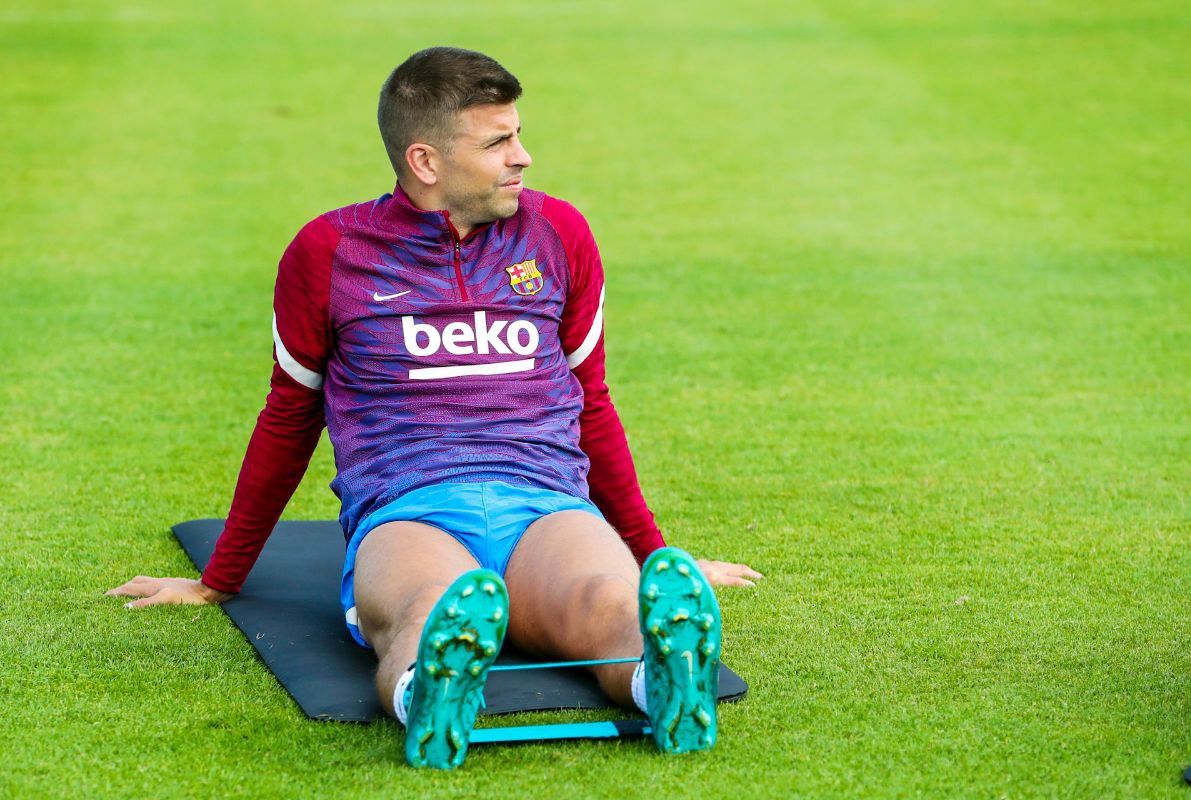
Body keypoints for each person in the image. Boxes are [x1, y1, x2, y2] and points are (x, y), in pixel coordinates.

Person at [107, 47, 761, 769]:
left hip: (545, 503)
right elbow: (289, 418)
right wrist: (218, 579)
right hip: (408, 508)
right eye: (497, 143)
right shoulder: (330, 252)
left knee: (606, 600)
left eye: (517, 135)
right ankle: (432, 693)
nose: (524, 157)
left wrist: (654, 555)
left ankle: (661, 681)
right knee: (430, 604)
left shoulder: (559, 235)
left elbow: (591, 404)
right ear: (426, 161)